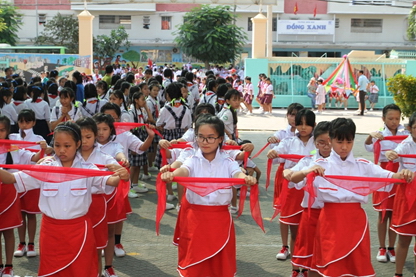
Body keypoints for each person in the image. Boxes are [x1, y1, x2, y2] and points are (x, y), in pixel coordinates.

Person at [0, 121, 129, 277]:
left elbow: (110, 182)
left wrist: (122, 175)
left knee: (81, 271)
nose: (61, 150)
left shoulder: (87, 169)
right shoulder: (45, 167)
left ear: (77, 144)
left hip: (79, 231)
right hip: (51, 233)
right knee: (51, 272)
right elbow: (11, 179)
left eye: (67, 146)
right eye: (57, 145)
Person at [303, 118, 413, 277]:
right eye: (340, 141)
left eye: (349, 141)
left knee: (356, 268)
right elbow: (291, 177)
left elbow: (390, 176)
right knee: (325, 265)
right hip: (329, 221)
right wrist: (305, 172)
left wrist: (404, 173)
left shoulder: (363, 165)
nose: (344, 147)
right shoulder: (320, 165)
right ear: (331, 140)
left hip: (356, 222)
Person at [161, 115, 256, 277]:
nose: (205, 142)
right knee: (194, 265)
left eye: (210, 138)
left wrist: (245, 178)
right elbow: (183, 170)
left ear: (220, 139)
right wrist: (173, 174)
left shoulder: (227, 161)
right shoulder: (193, 159)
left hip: (220, 220)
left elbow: (237, 173)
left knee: (219, 267)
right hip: (195, 220)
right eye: (201, 137)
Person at [267, 109, 316, 263]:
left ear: (314, 125)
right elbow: (277, 151)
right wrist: (273, 152)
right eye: (300, 124)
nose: (303, 127)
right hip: (292, 188)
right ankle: (293, 259)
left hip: (311, 190)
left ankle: (310, 262)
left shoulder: (318, 143)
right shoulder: (288, 141)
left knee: (309, 229)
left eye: (307, 124)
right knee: (291, 224)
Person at [284, 121, 331, 276]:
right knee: (311, 260)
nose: (326, 146)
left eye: (330, 142)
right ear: (315, 143)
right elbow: (292, 176)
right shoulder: (308, 161)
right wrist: (304, 172)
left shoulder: (343, 162)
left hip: (333, 217)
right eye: (321, 142)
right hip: (312, 215)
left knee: (331, 258)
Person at [364, 104, 408, 263]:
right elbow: (368, 147)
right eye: (390, 118)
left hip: (401, 174)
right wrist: (370, 136)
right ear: (383, 119)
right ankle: (382, 247)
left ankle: (391, 247)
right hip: (384, 173)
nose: (394, 122)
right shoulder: (380, 134)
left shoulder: (406, 133)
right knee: (383, 212)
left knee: (396, 212)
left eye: (397, 118)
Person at [385, 112, 416, 277]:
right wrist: (389, 154)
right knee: (404, 238)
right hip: (407, 196)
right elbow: (392, 154)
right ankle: (398, 274)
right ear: (410, 128)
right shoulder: (406, 144)